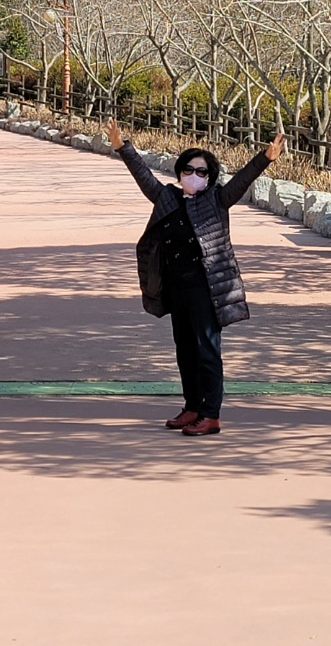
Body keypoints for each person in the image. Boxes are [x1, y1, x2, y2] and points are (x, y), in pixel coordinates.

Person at [105, 118, 285, 436]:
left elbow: (242, 179)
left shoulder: (217, 200)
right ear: (179, 173)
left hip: (207, 289)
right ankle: (192, 407)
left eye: (201, 172)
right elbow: (143, 175)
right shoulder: (167, 198)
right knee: (185, 351)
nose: (193, 176)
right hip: (178, 288)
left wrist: (265, 158)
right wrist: (122, 147)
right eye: (188, 170)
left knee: (207, 351)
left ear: (209, 178)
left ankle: (210, 414)